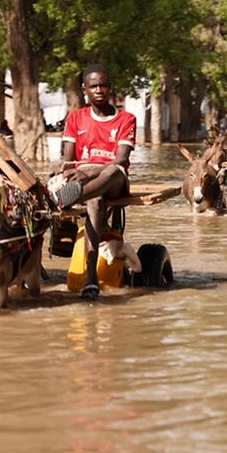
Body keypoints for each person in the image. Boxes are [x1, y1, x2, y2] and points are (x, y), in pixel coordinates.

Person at [50, 64, 137, 301]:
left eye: (104, 85)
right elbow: (68, 161)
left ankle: (73, 196)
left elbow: (122, 159)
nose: (99, 90)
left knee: (112, 172)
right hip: (83, 178)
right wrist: (65, 172)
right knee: (96, 200)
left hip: (113, 176)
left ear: (110, 88)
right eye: (93, 86)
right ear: (84, 90)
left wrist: (89, 175)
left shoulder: (126, 119)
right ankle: (91, 280)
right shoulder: (75, 118)